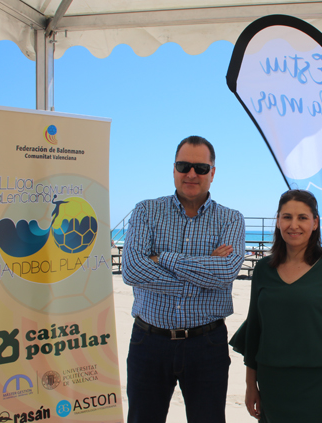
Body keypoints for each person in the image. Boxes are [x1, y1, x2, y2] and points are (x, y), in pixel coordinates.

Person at [122, 135, 246, 423]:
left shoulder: (231, 219)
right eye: (183, 166)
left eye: (200, 168)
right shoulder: (146, 211)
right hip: (148, 342)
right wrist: (203, 274)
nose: (191, 174)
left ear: (212, 173)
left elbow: (226, 271)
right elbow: (132, 270)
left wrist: (161, 258)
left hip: (207, 345)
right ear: (174, 169)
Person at [230, 189, 322, 423]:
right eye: (287, 217)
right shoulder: (263, 269)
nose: (294, 225)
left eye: (302, 217)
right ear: (278, 221)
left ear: (315, 223)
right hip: (272, 383)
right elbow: (254, 330)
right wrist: (251, 385)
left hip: (321, 385)